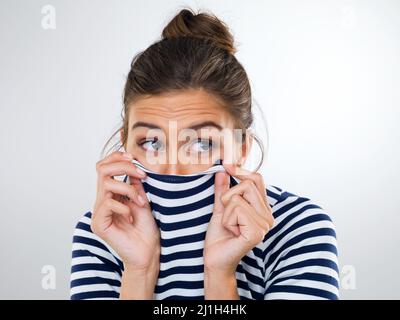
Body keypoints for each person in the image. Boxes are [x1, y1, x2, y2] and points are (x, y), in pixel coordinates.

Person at [70, 8, 339, 300]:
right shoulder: (103, 231)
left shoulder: (296, 228)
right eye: (151, 143)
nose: (172, 169)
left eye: (201, 144)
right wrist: (139, 271)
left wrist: (220, 274)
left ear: (242, 148)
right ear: (125, 144)